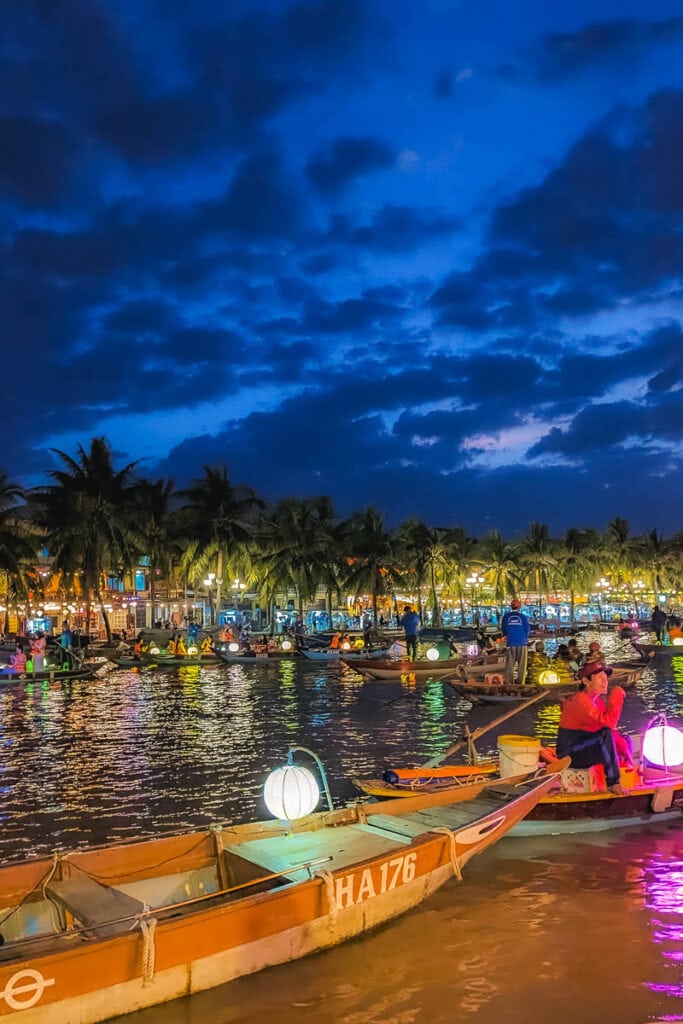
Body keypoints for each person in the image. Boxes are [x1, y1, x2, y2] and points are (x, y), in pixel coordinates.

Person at [556, 663, 629, 795]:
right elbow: (609, 724)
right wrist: (616, 696)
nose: (605, 682)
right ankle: (613, 782)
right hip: (570, 753)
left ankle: (620, 770)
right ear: (586, 681)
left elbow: (608, 728)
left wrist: (623, 750)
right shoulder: (580, 701)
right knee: (605, 734)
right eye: (600, 678)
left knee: (626, 740)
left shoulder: (596, 701)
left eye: (606, 678)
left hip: (583, 745)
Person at [501, 599, 530, 684]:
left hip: (511, 643)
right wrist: (524, 638)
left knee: (510, 665)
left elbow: (503, 630)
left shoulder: (506, 617)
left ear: (511, 606)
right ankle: (520, 683)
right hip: (522, 643)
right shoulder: (523, 617)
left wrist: (509, 637)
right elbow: (528, 630)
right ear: (519, 607)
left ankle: (509, 683)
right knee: (522, 666)